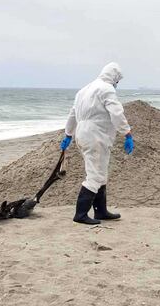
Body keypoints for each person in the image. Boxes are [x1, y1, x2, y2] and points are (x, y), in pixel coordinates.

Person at [61, 62, 134, 225]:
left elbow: (72, 114)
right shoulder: (106, 89)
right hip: (96, 135)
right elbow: (117, 113)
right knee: (95, 175)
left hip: (82, 133)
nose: (117, 84)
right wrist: (127, 133)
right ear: (114, 77)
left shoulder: (83, 90)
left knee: (100, 172)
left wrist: (68, 134)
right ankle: (80, 214)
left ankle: (101, 211)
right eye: (117, 81)